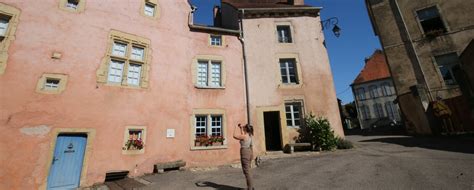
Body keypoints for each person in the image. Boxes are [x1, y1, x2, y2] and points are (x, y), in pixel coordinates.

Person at [233, 123, 254, 190]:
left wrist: (235, 127)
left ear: (246, 129)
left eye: (244, 127)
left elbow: (234, 136)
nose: (243, 127)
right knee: (248, 170)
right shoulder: (249, 135)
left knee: (246, 171)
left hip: (245, 153)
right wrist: (240, 128)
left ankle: (250, 188)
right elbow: (242, 134)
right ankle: (250, 187)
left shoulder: (244, 136)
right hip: (249, 152)